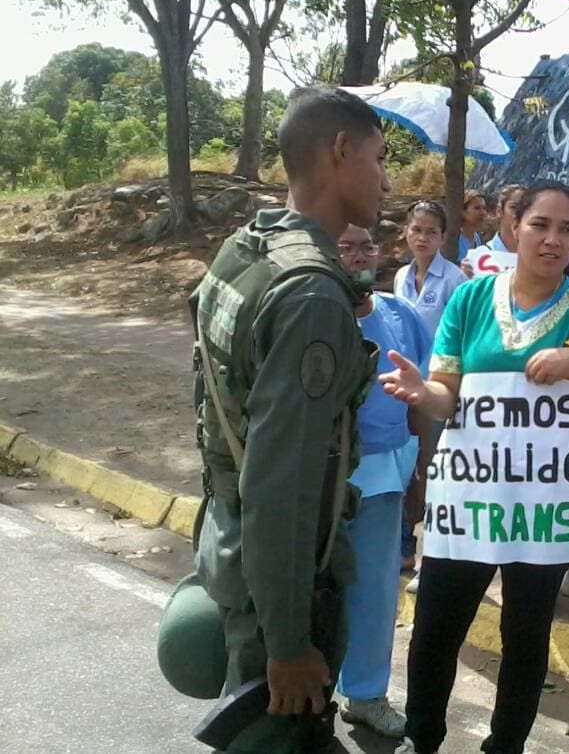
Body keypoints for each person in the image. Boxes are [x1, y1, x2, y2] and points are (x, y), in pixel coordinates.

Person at [379, 181, 569, 754]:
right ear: (513, 225)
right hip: (471, 497)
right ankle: (422, 737)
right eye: (540, 224)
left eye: (567, 229)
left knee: (526, 632)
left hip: (547, 507)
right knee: (436, 628)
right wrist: (424, 393)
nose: (552, 239)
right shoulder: (470, 300)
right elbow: (450, 395)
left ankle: (506, 746)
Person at [189, 86, 387, 753]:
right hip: (282, 585)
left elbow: (225, 400)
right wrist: (288, 644)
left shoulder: (249, 246)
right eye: (379, 159)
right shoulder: (308, 293)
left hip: (232, 549)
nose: (386, 180)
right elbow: (281, 485)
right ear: (339, 152)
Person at [335, 225, 434, 738]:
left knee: (375, 592)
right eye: (344, 246)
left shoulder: (401, 314)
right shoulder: (314, 310)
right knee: (316, 591)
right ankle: (306, 695)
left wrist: (421, 475)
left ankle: (366, 694)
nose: (357, 256)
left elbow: (424, 398)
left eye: (366, 246)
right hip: (322, 479)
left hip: (386, 475)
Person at [394, 201, 468, 338]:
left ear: (443, 238)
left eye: (432, 232)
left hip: (439, 358)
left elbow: (464, 330)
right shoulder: (401, 276)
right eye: (416, 230)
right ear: (405, 231)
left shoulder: (454, 279)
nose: (422, 238)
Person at [485, 185, 524, 253]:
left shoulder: (535, 256)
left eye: (524, 208)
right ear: (499, 211)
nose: (519, 213)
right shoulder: (482, 254)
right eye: (514, 207)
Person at [457, 189, 488, 262]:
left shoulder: (477, 238)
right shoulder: (455, 239)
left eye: (484, 208)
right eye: (477, 208)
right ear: (463, 211)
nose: (482, 212)